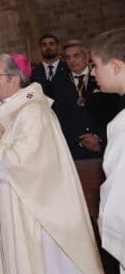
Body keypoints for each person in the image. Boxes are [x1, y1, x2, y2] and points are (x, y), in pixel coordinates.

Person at [0, 54, 103, 274]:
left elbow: (21, 162)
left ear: (14, 79)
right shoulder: (4, 110)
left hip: (35, 211)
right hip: (13, 205)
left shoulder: (34, 113)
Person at [89, 27, 125, 273]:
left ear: (116, 67)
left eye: (95, 65)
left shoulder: (122, 125)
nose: (92, 72)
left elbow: (118, 199)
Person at [51, 40, 120, 159]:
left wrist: (98, 136)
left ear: (86, 56)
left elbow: (114, 111)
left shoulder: (101, 77)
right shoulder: (59, 83)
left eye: (76, 56)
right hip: (75, 147)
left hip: (105, 144)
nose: (72, 60)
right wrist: (80, 137)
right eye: (68, 57)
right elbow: (58, 116)